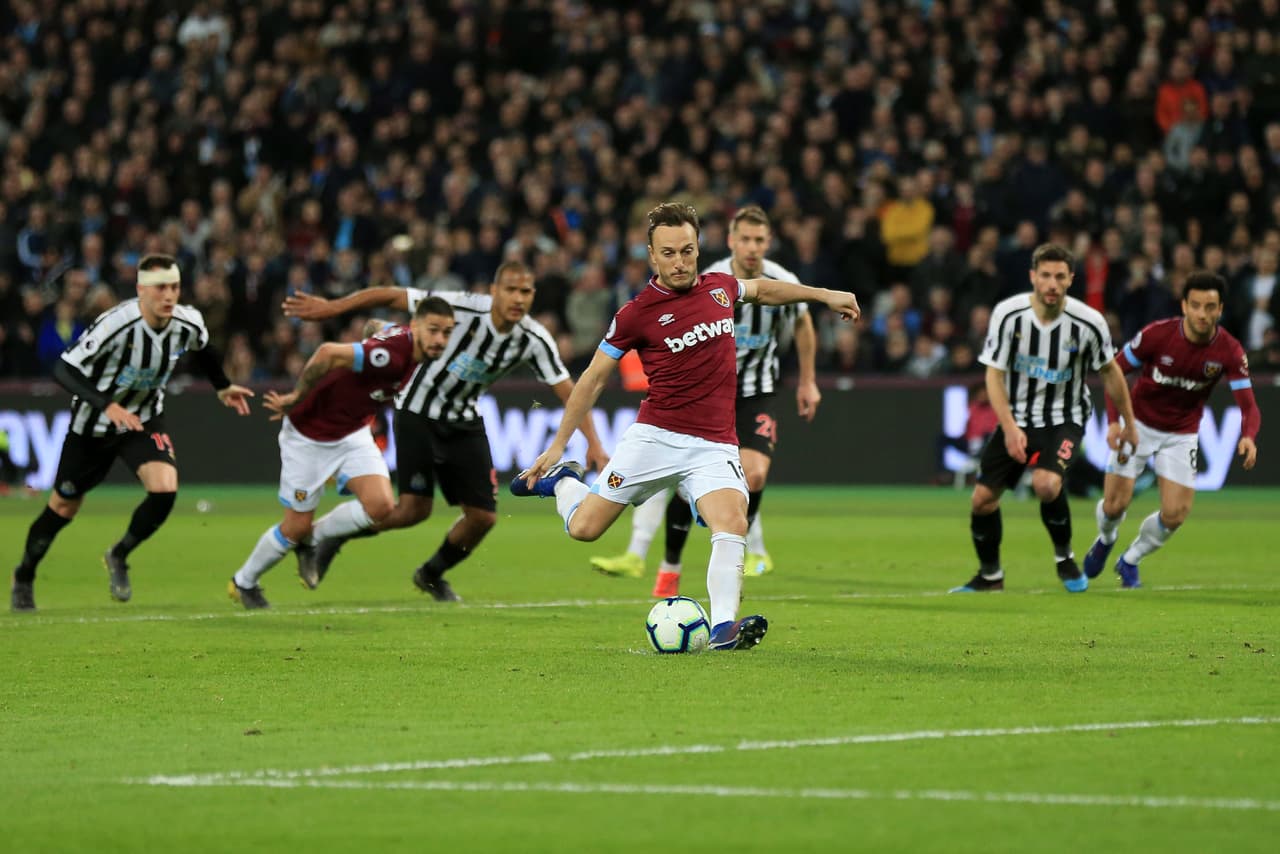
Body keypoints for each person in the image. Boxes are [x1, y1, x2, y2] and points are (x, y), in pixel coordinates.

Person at [511, 203, 860, 650]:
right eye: (669, 253)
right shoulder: (636, 314)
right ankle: (562, 485)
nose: (680, 262)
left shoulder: (719, 289)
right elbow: (593, 379)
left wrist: (823, 294)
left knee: (732, 519)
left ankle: (723, 628)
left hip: (714, 443)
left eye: (688, 251)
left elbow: (767, 291)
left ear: (699, 250)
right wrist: (559, 445)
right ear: (652, 257)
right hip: (655, 438)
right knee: (585, 529)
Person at [281, 261, 608, 601]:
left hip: (464, 419)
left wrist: (594, 443)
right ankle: (335, 536)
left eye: (525, 291)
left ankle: (431, 574)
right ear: (494, 292)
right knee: (412, 511)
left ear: (532, 296)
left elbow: (568, 390)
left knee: (483, 517)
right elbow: (392, 294)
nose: (517, 298)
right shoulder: (462, 307)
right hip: (416, 410)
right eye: (510, 289)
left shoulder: (533, 339)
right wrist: (330, 308)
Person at [589, 205, 821, 597]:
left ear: (768, 243)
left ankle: (741, 549)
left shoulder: (781, 280)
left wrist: (808, 381)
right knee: (683, 478)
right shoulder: (707, 275)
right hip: (704, 392)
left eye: (759, 240)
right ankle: (670, 566)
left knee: (755, 473)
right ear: (730, 241)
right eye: (744, 239)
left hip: (756, 390)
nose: (752, 247)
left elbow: (802, 323)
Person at [9, 254, 254, 612]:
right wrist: (106, 405)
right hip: (92, 425)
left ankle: (118, 553)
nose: (168, 296)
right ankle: (25, 576)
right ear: (141, 290)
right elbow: (64, 370)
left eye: (173, 287)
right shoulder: (116, 324)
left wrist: (222, 385)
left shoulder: (187, 323)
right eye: (159, 288)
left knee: (165, 488)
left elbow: (205, 350)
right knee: (63, 506)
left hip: (142, 420)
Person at [228, 297, 455, 609]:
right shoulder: (391, 355)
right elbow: (327, 352)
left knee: (381, 505)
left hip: (352, 432)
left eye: (446, 333)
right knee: (294, 527)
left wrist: (373, 332)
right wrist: (296, 395)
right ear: (416, 327)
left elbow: (375, 326)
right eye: (434, 331)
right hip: (309, 436)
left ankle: (314, 540)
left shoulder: (407, 341)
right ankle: (244, 582)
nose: (440, 340)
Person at [951, 243, 1139, 594]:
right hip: (1017, 418)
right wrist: (1008, 427)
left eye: (1060, 277)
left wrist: (1126, 422)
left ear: (1070, 280)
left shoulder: (1089, 322)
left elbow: (1110, 373)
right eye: (1046, 276)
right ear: (1032, 277)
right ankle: (990, 576)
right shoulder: (1008, 315)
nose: (1052, 283)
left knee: (1046, 484)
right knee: (981, 500)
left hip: (1064, 417)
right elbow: (994, 374)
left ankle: (1064, 558)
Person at [1083, 272, 1260, 588]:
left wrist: (1248, 435)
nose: (1202, 314)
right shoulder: (1157, 336)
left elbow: (1248, 405)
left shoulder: (1229, 352)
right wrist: (1114, 422)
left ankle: (1130, 559)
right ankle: (1106, 539)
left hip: (1182, 433)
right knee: (1114, 506)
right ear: (1184, 306)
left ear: (1220, 310)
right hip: (1136, 425)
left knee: (1176, 513)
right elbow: (1113, 373)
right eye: (1196, 306)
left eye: (1210, 307)